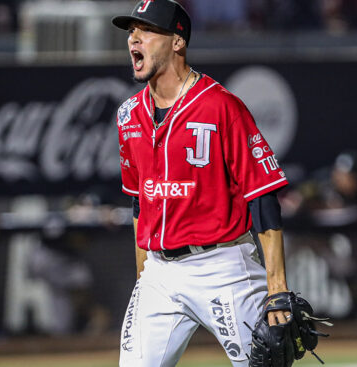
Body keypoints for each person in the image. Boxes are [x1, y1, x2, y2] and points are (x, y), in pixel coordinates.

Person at [111, 1, 305, 365]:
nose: (134, 39)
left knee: (265, 361)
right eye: (131, 32)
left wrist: (277, 287)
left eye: (146, 30)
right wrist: (143, 276)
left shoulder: (221, 107)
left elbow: (262, 196)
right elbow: (140, 202)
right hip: (160, 272)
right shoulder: (128, 116)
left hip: (222, 266)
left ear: (177, 42)